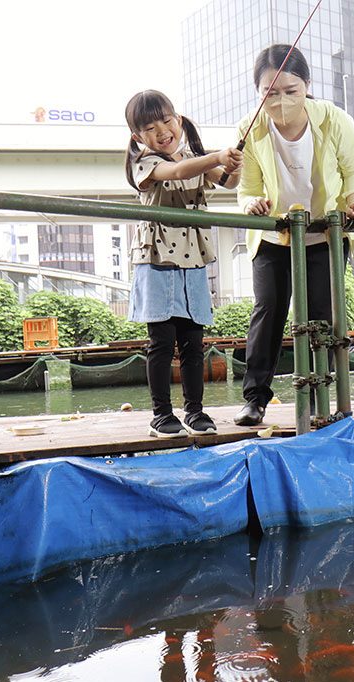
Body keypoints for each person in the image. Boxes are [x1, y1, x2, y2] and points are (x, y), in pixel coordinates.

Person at [233, 45, 354, 427]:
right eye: (270, 92)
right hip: (274, 235)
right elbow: (246, 188)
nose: (280, 101)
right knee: (268, 312)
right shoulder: (251, 127)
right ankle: (255, 399)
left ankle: (318, 399)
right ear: (258, 92)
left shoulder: (334, 119)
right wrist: (251, 204)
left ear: (307, 85)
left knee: (321, 317)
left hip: (324, 234)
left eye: (290, 90)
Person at [124, 90, 243, 438]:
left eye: (167, 121)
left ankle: (195, 411)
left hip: (193, 262)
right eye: (150, 128)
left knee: (194, 343)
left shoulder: (196, 159)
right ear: (138, 137)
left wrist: (234, 165)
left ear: (178, 120)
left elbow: (228, 181)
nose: (162, 131)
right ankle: (161, 415)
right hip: (157, 262)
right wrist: (216, 156)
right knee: (161, 344)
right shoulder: (145, 163)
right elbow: (176, 171)